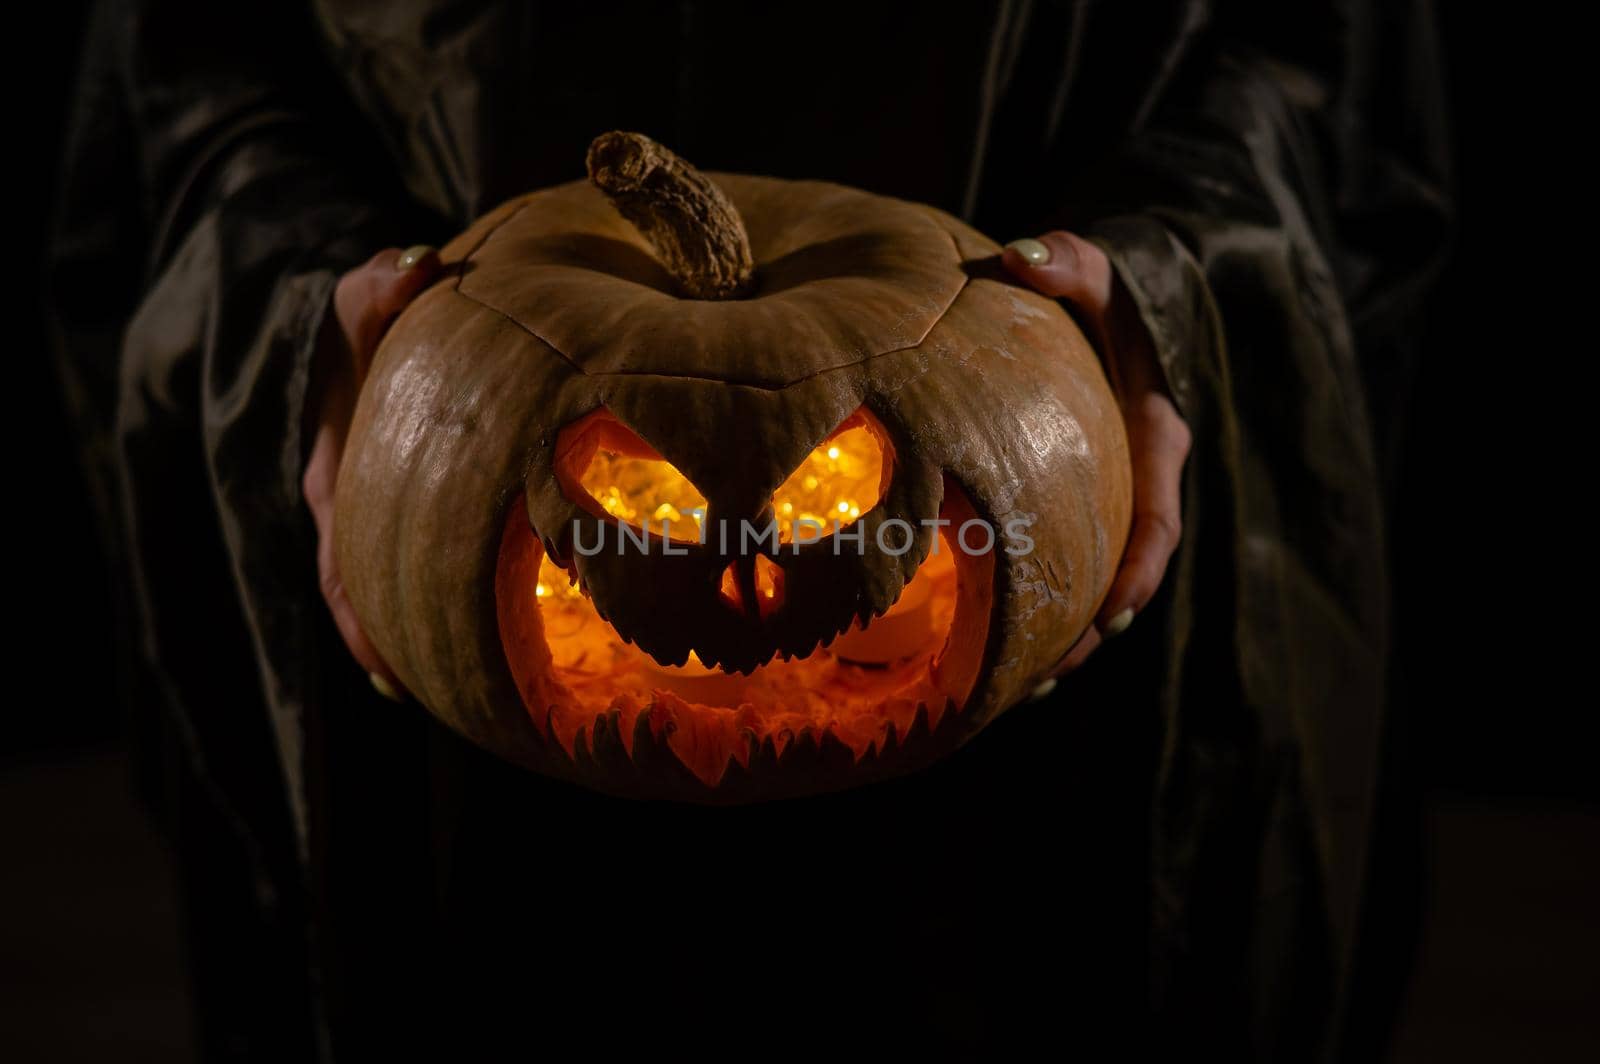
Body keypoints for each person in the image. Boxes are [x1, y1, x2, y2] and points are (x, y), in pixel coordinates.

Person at [47, 1, 1450, 1058]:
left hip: (1049, 723)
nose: (752, 584)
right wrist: (319, 326)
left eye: (819, 498)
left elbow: (1310, 56)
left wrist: (1173, 285)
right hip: (458, 716)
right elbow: (187, 68)